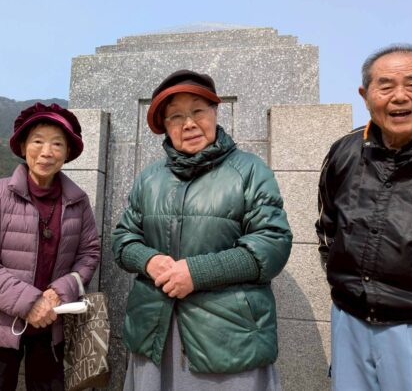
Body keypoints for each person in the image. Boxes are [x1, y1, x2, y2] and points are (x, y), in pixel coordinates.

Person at [112, 70, 292, 390]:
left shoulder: (249, 170)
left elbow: (272, 245)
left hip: (227, 336)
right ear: (165, 126)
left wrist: (196, 272)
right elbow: (123, 239)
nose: (189, 123)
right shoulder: (150, 178)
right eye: (176, 117)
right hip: (155, 331)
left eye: (198, 111)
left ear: (215, 112)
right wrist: (149, 260)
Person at [316, 44, 412, 391]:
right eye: (386, 86)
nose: (400, 97)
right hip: (350, 321)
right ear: (365, 95)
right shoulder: (344, 151)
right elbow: (327, 227)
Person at [0, 102, 100, 391]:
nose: (46, 151)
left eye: (57, 144)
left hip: (52, 322)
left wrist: (59, 292)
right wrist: (30, 302)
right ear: (24, 146)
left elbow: (89, 253)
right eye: (38, 141)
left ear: (67, 152)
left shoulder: (77, 201)